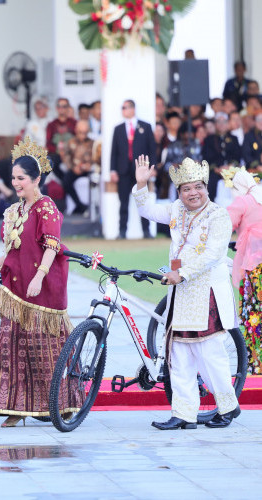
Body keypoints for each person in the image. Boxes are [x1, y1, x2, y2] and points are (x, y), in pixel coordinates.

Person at [0, 138, 77, 427]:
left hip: (42, 290)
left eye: (22, 179)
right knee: (11, 350)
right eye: (14, 178)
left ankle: (59, 405)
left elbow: (52, 245)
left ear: (36, 179)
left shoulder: (46, 208)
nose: (16, 183)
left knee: (44, 351)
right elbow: (10, 250)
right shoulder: (13, 211)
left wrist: (40, 276)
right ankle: (16, 408)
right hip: (15, 291)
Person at [132, 155, 240, 429]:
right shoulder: (176, 210)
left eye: (197, 187)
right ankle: (184, 414)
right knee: (178, 354)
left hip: (206, 292)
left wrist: (181, 273)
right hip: (181, 293)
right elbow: (147, 211)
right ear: (179, 192)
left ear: (206, 187)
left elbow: (214, 254)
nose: (193, 193)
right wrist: (141, 184)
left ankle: (228, 407)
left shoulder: (218, 215)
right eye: (186, 189)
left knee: (209, 352)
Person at [223, 167, 262, 374]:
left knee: (252, 313)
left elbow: (222, 227)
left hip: (253, 267)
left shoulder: (243, 202)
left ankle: (255, 363)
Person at [110, 99, 157, 239]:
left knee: (142, 200)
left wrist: (152, 167)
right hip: (123, 170)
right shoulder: (118, 129)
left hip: (141, 170)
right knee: (123, 202)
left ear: (133, 109)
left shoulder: (145, 126)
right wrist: (113, 170)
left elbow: (152, 149)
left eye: (125, 107)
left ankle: (146, 231)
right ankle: (122, 231)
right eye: (122, 108)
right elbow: (114, 151)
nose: (123, 110)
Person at [202, 112, 242, 203]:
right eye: (218, 122)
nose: (221, 124)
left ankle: (239, 205)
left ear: (228, 123)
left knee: (240, 180)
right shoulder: (209, 139)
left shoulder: (234, 138)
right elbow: (206, 157)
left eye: (224, 122)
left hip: (231, 169)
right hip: (215, 170)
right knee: (210, 182)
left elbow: (238, 155)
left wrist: (231, 166)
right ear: (215, 124)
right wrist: (216, 168)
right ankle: (211, 206)